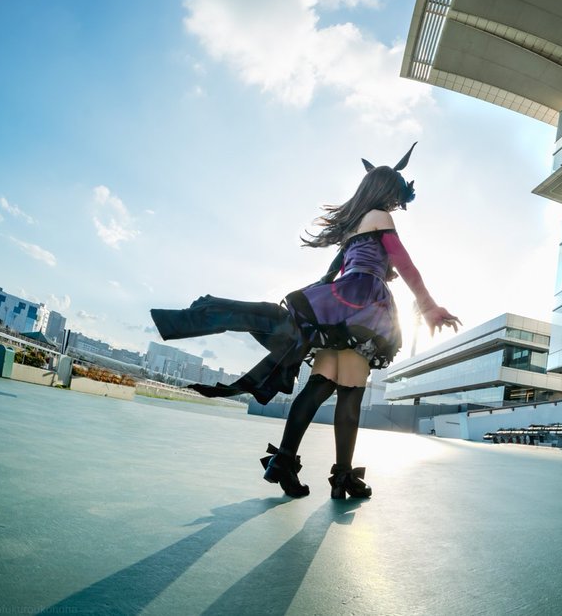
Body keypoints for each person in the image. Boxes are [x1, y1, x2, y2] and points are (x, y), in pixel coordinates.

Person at [150, 144, 460, 499]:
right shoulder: (381, 217)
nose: (395, 204)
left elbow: (332, 274)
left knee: (319, 388)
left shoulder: (354, 226)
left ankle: (283, 463)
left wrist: (316, 309)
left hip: (340, 306)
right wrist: (428, 305)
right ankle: (342, 478)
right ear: (387, 191)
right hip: (364, 306)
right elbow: (405, 264)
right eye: (395, 196)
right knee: (351, 393)